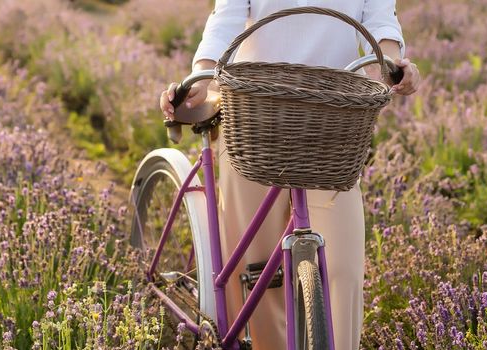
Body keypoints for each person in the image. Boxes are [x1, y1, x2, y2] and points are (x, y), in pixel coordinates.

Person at [158, 1, 421, 349]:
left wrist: (392, 66)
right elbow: (227, 17)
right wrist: (203, 76)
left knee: (341, 270)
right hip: (253, 115)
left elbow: (380, 21)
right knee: (254, 270)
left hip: (333, 118)